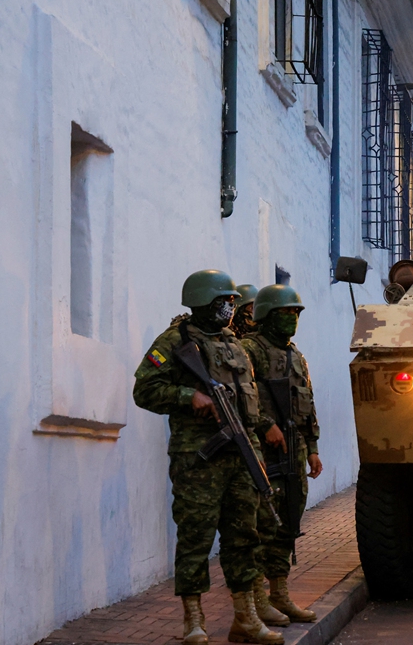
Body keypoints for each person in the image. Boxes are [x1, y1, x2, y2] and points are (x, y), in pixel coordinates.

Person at [133, 270, 284, 645]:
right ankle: (193, 620)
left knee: (243, 536)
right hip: (198, 459)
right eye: (223, 302)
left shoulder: (235, 345)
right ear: (202, 302)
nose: (230, 309)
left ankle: (246, 617)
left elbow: (249, 401)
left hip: (241, 454)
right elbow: (144, 389)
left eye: (232, 302)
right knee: (195, 536)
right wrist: (190, 397)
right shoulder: (174, 342)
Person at [242, 285, 322, 626]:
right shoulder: (249, 350)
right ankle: (257, 599)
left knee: (288, 522)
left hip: (294, 449)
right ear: (266, 316)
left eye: (295, 313)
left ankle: (279, 593)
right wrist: (264, 425)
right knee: (262, 524)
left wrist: (313, 448)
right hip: (262, 451)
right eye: (285, 313)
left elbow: (308, 404)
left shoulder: (295, 356)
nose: (292, 319)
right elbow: (238, 396)